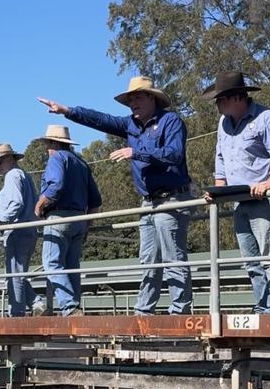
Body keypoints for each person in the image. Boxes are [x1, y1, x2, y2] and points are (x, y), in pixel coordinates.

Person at [38, 76, 193, 315]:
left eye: (138, 97)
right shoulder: (131, 125)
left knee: (173, 257)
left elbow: (174, 154)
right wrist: (67, 111)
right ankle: (144, 311)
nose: (133, 103)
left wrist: (136, 151)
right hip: (149, 202)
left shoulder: (170, 121)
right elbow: (101, 120)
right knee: (148, 260)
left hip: (172, 198)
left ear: (152, 98)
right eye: (130, 99)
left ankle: (180, 311)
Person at [203, 71, 270, 314]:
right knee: (251, 260)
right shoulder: (224, 124)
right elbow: (221, 160)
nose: (216, 104)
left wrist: (269, 184)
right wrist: (218, 192)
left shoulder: (266, 119)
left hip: (264, 200)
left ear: (236, 97)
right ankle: (262, 305)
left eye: (220, 99)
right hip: (238, 201)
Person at [34, 125, 102, 317]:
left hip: (59, 216)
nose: (47, 148)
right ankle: (74, 306)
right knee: (72, 265)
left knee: (52, 263)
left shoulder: (57, 158)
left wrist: (39, 205)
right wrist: (87, 223)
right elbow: (95, 200)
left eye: (47, 144)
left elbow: (56, 186)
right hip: (80, 218)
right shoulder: (81, 163)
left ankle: (69, 306)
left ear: (54, 143)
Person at [0, 143, 46, 318]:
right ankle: (36, 303)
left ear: (11, 159)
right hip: (27, 229)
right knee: (17, 273)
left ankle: (17, 313)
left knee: (14, 275)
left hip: (17, 231)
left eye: (0, 162)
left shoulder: (12, 175)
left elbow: (15, 204)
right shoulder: (23, 175)